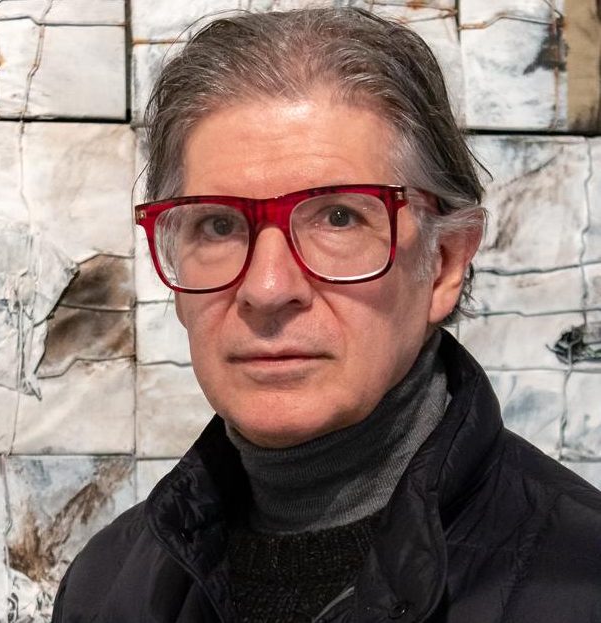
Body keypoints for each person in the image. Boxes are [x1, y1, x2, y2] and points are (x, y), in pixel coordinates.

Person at [53, 8, 601, 622]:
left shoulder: (583, 585)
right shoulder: (107, 586)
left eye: (339, 217)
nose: (267, 288)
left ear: (444, 264)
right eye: (218, 224)